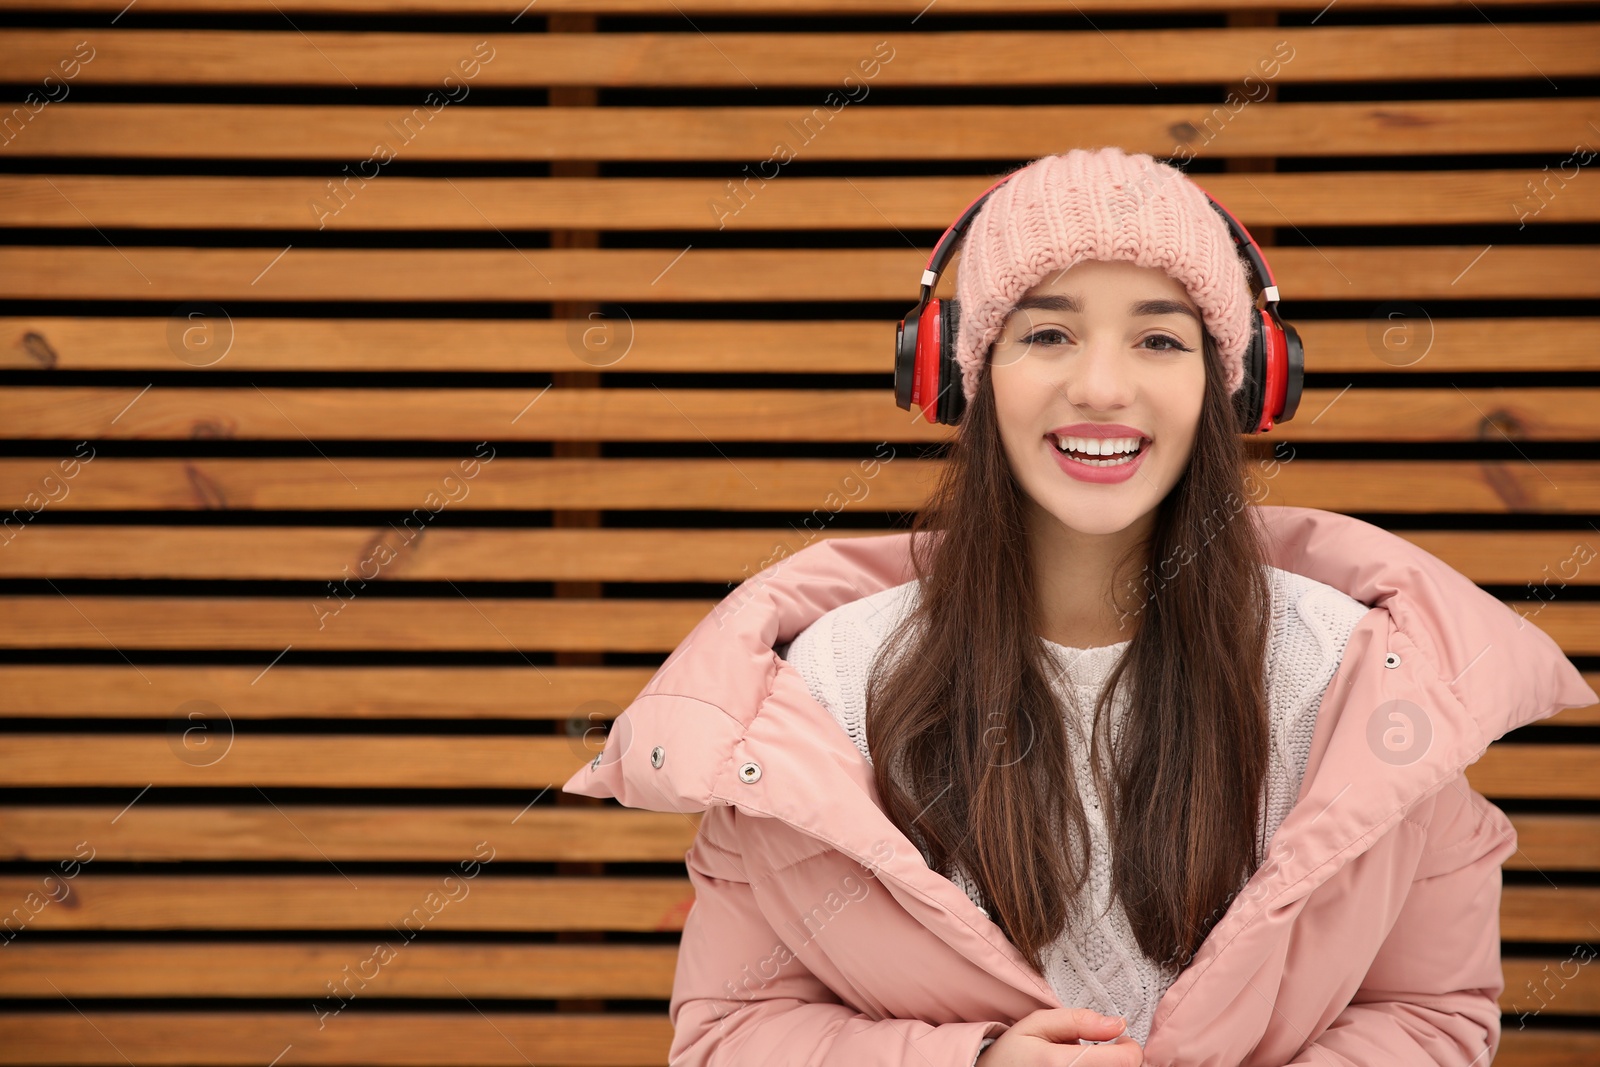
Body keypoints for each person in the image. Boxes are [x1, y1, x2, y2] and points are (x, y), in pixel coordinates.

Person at [562, 147, 1597, 1067]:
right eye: (1048, 333)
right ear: (959, 375)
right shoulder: (821, 691)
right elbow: (731, 1034)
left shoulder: (1367, 679)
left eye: (1158, 341)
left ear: (1235, 384)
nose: (1101, 386)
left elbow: (1428, 1013)